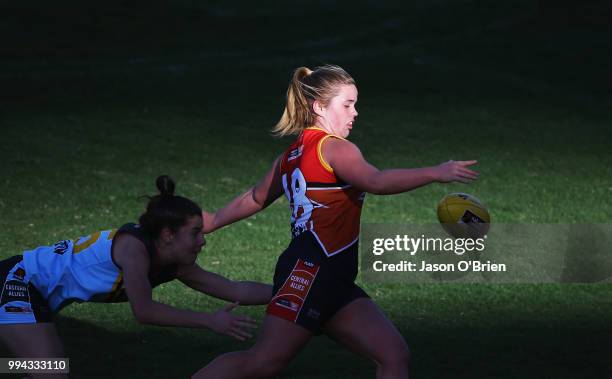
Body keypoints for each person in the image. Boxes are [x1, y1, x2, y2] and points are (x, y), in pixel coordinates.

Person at [193, 65, 479, 379]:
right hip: (311, 273)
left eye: (355, 104)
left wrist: (214, 220)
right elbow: (376, 181)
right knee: (263, 362)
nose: (355, 113)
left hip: (333, 278)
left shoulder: (290, 155)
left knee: (393, 354)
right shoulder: (334, 148)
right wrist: (436, 172)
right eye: (347, 105)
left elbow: (257, 197)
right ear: (319, 106)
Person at [0, 175, 272, 379]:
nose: (203, 241)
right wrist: (209, 320)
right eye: (195, 233)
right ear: (167, 235)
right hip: (18, 283)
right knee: (52, 370)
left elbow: (237, 291)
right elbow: (144, 311)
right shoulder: (133, 249)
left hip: (36, 294)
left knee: (49, 367)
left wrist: (298, 293)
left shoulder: (173, 262)